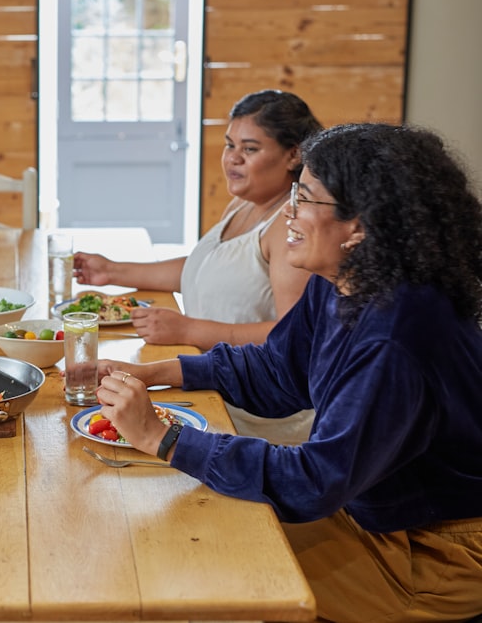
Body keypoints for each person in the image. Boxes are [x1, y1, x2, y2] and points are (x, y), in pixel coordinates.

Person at [94, 123, 482, 622]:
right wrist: (161, 371)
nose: (287, 213)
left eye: (305, 199)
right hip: (369, 511)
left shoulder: (395, 337)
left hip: (431, 553)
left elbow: (314, 482)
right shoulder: (342, 279)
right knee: (184, 525)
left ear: (359, 225)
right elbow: (279, 371)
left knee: (200, 561)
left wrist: (162, 438)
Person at [73, 89, 323, 443]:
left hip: (253, 416)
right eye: (229, 145)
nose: (232, 159)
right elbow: (206, 269)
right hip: (207, 382)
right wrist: (113, 271)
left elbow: (289, 339)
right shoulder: (244, 205)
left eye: (250, 149)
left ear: (293, 154)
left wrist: (190, 329)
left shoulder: (288, 227)